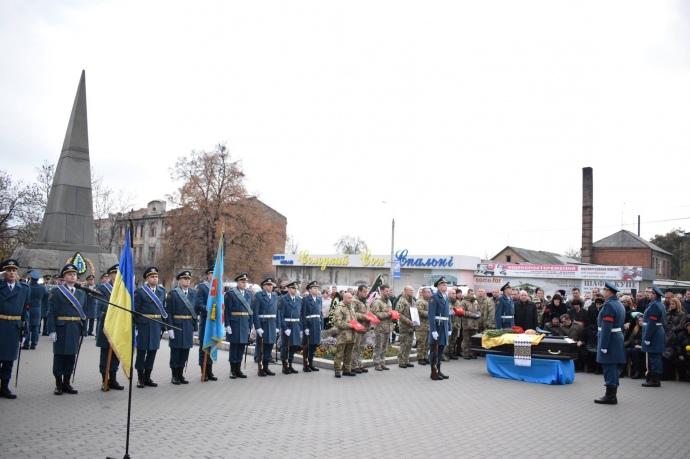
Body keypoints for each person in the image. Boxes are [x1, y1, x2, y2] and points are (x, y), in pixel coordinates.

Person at [47, 263, 87, 396]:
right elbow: (51, 312)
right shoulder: (56, 292)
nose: (73, 276)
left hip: (75, 328)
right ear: (64, 277)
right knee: (59, 356)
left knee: (71, 356)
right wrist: (51, 330)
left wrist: (84, 330)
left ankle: (67, 383)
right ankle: (58, 384)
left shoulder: (81, 293)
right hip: (61, 328)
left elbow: (83, 313)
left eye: (74, 274)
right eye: (70, 274)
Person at [0, 259, 30, 399]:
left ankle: (4, 387)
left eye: (14, 270)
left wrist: (25, 330)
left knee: (9, 360)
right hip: (1, 325)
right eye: (8, 270)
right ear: (4, 272)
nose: (11, 273)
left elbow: (25, 311)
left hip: (14, 327)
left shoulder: (24, 288)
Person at [133, 266, 167, 388]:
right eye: (152, 276)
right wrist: (137, 325)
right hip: (144, 325)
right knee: (142, 351)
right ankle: (140, 378)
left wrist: (164, 326)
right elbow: (135, 310)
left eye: (156, 276)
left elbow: (163, 308)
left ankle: (148, 377)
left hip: (156, 325)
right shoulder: (140, 292)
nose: (155, 278)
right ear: (147, 278)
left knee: (152, 351)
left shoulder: (162, 291)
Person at [594, 282, 626, 405]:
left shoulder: (609, 306)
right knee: (613, 367)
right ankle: (612, 394)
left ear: (609, 292)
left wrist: (604, 345)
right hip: (616, 338)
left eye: (604, 289)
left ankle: (610, 396)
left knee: (609, 367)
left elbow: (607, 327)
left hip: (610, 339)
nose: (603, 291)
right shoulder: (618, 304)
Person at [96, 264, 124, 391]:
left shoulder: (125, 289)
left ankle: (113, 379)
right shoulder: (103, 288)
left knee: (116, 354)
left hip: (120, 325)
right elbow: (102, 305)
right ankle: (104, 380)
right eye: (116, 273)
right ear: (111, 275)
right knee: (105, 353)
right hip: (108, 325)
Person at [166, 270, 197, 385]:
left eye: (189, 279)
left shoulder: (193, 293)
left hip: (188, 325)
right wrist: (170, 328)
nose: (187, 281)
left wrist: (195, 327)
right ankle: (174, 375)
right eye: (185, 279)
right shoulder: (173, 294)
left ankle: (181, 374)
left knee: (185, 351)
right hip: (177, 325)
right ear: (179, 280)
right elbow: (168, 312)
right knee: (176, 351)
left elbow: (195, 311)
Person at [224, 272, 252, 379]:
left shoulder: (249, 294)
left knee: (241, 348)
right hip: (234, 324)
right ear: (237, 282)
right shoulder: (231, 294)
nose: (244, 283)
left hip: (245, 323)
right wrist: (227, 325)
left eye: (245, 282)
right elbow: (227, 311)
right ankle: (232, 370)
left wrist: (250, 326)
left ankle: (238, 369)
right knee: (234, 347)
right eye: (242, 281)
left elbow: (250, 312)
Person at [252, 277, 278, 377]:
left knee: (270, 346)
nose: (270, 287)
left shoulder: (275, 296)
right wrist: (258, 327)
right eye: (268, 285)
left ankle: (266, 367)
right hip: (263, 325)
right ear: (263, 286)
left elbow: (278, 312)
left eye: (271, 285)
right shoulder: (259, 296)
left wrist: (277, 326)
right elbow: (256, 313)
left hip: (272, 324)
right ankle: (261, 368)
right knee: (261, 347)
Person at [641, 286, 667, 388]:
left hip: (654, 334)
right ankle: (654, 379)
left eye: (651, 293)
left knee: (654, 357)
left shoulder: (655, 306)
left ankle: (655, 380)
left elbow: (652, 323)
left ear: (655, 295)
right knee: (655, 356)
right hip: (657, 332)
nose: (649, 294)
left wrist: (647, 338)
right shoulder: (658, 304)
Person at [194, 267, 217, 381]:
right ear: (208, 275)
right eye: (212, 274)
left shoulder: (219, 288)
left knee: (212, 345)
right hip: (206, 320)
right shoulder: (202, 287)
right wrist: (209, 309)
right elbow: (198, 304)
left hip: (214, 322)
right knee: (204, 346)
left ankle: (210, 370)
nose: (213, 276)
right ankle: (203, 371)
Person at [429, 277, 451, 380]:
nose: (445, 286)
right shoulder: (434, 297)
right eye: (442, 284)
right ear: (438, 286)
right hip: (437, 327)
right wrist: (433, 330)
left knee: (441, 350)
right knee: (434, 351)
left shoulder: (446, 297)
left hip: (444, 327)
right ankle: (434, 373)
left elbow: (448, 314)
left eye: (446, 284)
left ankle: (439, 370)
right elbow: (431, 315)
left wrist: (449, 327)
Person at [277, 281, 302, 374]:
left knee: (294, 346)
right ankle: (284, 365)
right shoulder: (283, 299)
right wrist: (284, 328)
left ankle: (290, 364)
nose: (294, 290)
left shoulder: (299, 299)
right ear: (288, 289)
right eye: (292, 288)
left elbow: (301, 314)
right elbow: (280, 315)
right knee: (285, 346)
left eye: (295, 288)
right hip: (287, 325)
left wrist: (301, 327)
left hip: (296, 325)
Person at [333, 292, 358, 377]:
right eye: (349, 298)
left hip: (352, 334)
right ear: (344, 298)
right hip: (343, 335)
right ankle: (337, 370)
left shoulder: (351, 307)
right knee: (340, 353)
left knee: (349, 353)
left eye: (351, 298)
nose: (351, 300)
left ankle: (347, 370)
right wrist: (350, 325)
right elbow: (337, 322)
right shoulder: (340, 307)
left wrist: (357, 325)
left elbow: (354, 318)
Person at [371, 284, 394, 371]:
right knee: (378, 346)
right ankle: (377, 363)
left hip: (387, 327)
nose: (388, 293)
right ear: (381, 291)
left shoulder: (389, 301)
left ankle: (382, 362)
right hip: (380, 328)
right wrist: (388, 314)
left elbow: (391, 312)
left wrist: (393, 315)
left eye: (389, 291)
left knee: (384, 347)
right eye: (386, 291)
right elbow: (376, 314)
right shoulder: (377, 302)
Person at [301, 281, 322, 372]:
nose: (316, 290)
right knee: (307, 346)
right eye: (314, 288)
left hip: (316, 324)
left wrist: (321, 325)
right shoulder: (305, 300)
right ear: (309, 290)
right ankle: (305, 365)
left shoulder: (319, 299)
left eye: (317, 288)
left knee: (314, 345)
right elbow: (303, 314)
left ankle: (311, 364)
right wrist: (305, 327)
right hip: (309, 325)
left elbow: (320, 313)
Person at [350, 285, 371, 373]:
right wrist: (364, 316)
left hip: (365, 328)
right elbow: (352, 313)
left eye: (366, 292)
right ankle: (353, 366)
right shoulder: (354, 301)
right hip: (357, 328)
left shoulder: (366, 301)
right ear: (359, 291)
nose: (366, 293)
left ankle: (359, 364)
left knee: (361, 347)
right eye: (364, 292)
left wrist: (371, 316)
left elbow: (368, 312)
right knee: (355, 347)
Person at [26, 270, 47, 349]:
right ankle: (34, 343)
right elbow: (46, 296)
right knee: (35, 327)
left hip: (28, 308)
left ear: (31, 278)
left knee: (27, 326)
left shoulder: (27, 286)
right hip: (38, 308)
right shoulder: (42, 287)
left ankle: (26, 343)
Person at [396, 286, 416, 368]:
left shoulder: (412, 301)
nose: (412, 292)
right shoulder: (402, 301)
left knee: (409, 344)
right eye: (410, 290)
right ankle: (401, 361)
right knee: (403, 344)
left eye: (413, 290)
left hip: (412, 326)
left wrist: (415, 321)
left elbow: (415, 311)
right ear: (405, 291)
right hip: (404, 326)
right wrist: (408, 321)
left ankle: (406, 360)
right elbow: (398, 314)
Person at [459, 289, 480, 359]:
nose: (472, 295)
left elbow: (479, 309)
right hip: (467, 323)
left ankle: (471, 353)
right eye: (471, 294)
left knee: (473, 339)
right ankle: (465, 353)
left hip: (474, 324)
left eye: (473, 294)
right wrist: (472, 314)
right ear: (468, 294)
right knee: (466, 339)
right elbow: (462, 312)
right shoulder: (463, 302)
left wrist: (478, 314)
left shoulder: (475, 301)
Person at [624, 314, 646, 379]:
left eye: (642, 321)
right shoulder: (636, 328)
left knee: (634, 351)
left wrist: (639, 345)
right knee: (626, 350)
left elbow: (645, 340)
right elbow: (631, 339)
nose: (640, 322)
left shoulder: (646, 329)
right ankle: (622, 371)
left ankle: (637, 372)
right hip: (635, 346)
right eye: (639, 321)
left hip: (643, 347)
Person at [415, 287, 431, 365]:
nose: (429, 294)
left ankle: (425, 356)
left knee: (427, 343)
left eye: (430, 292)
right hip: (421, 326)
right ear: (423, 293)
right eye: (427, 292)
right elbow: (420, 312)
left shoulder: (429, 301)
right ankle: (420, 358)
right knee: (421, 343)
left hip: (428, 326)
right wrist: (431, 314)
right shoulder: (420, 301)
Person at [445, 288, 461, 360]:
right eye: (452, 293)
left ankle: (451, 353)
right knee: (447, 340)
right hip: (449, 324)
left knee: (453, 340)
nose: (454, 295)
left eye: (455, 293)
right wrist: (451, 312)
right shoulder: (446, 301)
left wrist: (459, 312)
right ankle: (445, 354)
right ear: (448, 294)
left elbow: (460, 312)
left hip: (456, 324)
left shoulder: (458, 302)